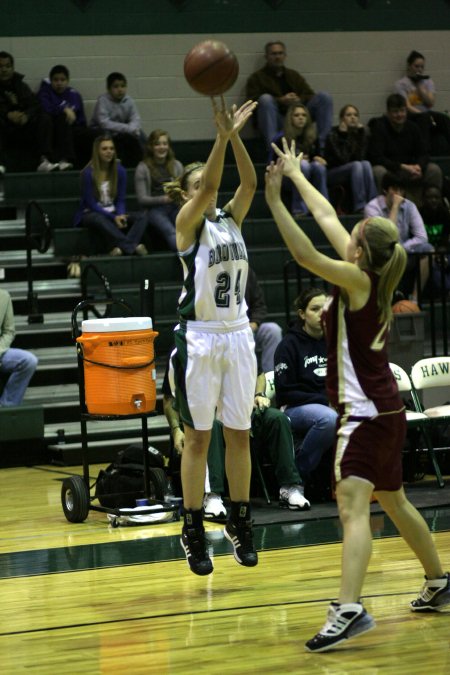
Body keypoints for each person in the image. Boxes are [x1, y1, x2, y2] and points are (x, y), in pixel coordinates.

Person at [265, 137, 450, 653]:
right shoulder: (369, 275)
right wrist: (299, 175)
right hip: (386, 407)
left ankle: (348, 608)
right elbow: (324, 217)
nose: (343, 234)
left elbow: (304, 250)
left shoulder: (354, 280)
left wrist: (277, 200)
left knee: (352, 506)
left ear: (359, 249)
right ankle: (439, 582)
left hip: (364, 413)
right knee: (392, 499)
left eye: (352, 233)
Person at [163, 97, 258, 576]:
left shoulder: (231, 221)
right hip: (199, 340)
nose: (206, 189)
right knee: (199, 439)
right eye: (196, 186)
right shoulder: (187, 226)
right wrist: (221, 135)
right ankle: (193, 525)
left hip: (238, 337)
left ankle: (239, 520)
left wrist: (235, 137)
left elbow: (248, 183)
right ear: (185, 194)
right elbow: (218, 182)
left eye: (205, 184)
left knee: (239, 435)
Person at [163, 360, 309, 516]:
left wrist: (258, 394)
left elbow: (258, 373)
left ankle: (289, 487)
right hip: (208, 416)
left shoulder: (237, 337)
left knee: (277, 419)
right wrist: (176, 429)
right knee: (210, 425)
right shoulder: (186, 346)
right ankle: (212, 496)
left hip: (241, 411)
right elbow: (168, 398)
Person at [274, 287, 338, 500]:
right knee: (328, 419)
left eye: (326, 308)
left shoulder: (333, 340)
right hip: (294, 408)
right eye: (315, 309)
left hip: (328, 403)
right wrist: (324, 400)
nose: (322, 313)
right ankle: (295, 478)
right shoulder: (288, 345)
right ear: (302, 314)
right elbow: (284, 392)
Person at [246, 41, 333, 152]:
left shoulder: (293, 76)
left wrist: (298, 100)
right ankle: (274, 151)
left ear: (285, 56)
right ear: (266, 56)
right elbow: (251, 102)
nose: (277, 57)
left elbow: (309, 94)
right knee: (265, 99)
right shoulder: (257, 78)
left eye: (280, 53)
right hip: (277, 120)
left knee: (324, 97)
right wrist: (280, 100)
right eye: (274, 54)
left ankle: (323, 148)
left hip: (296, 116)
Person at [73, 134, 148, 256]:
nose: (109, 152)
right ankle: (131, 247)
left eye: (111, 148)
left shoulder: (120, 171)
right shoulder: (88, 173)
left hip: (112, 211)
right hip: (90, 213)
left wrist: (120, 214)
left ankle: (121, 248)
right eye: (104, 149)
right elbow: (91, 204)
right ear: (97, 151)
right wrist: (113, 217)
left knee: (142, 216)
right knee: (99, 218)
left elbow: (121, 200)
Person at [364, 172, 434, 301]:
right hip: (382, 255)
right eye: (395, 189)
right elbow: (387, 239)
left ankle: (415, 298)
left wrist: (400, 248)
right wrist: (395, 207)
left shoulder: (409, 206)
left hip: (403, 253)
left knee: (428, 249)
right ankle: (387, 298)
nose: (399, 194)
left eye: (401, 190)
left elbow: (422, 237)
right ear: (385, 190)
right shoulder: (372, 208)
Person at [368, 93, 442, 199]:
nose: (399, 115)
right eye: (395, 111)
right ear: (388, 113)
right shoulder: (379, 128)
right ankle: (383, 208)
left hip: (411, 170)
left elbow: (424, 153)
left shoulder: (413, 128)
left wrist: (419, 166)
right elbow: (377, 157)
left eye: (402, 111)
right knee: (378, 171)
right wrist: (401, 166)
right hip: (391, 170)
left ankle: (431, 208)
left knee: (434, 170)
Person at [0, 51, 57, 172]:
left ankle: (44, 160)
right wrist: (7, 114)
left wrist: (26, 115)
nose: (4, 69)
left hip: (23, 126)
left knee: (44, 118)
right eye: (0, 67)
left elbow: (35, 105)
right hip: (4, 127)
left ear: (13, 68)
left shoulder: (21, 86)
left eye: (7, 66)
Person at [269, 103, 328, 218]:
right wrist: (291, 162)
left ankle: (323, 207)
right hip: (284, 177)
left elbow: (316, 156)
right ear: (290, 118)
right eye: (297, 115)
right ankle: (299, 209)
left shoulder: (311, 136)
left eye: (303, 115)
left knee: (319, 167)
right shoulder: (281, 138)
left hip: (307, 172)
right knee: (303, 165)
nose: (301, 118)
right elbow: (271, 164)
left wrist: (318, 159)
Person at [134, 129, 183, 252]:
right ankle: (187, 257)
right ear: (151, 147)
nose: (162, 147)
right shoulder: (142, 168)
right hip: (154, 210)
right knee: (171, 231)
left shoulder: (176, 165)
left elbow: (184, 189)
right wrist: (164, 199)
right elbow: (142, 199)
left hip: (175, 206)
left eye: (164, 144)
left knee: (187, 228)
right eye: (157, 144)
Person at [394, 50, 450, 155]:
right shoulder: (401, 84)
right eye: (416, 66)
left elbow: (431, 102)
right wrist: (423, 114)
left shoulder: (427, 81)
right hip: (411, 115)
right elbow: (406, 106)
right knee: (424, 118)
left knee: (444, 118)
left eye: (422, 67)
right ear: (409, 66)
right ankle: (424, 152)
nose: (419, 70)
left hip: (427, 113)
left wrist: (421, 88)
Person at [37, 64, 93, 170]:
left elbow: (75, 115)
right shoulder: (45, 92)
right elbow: (46, 108)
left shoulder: (74, 94)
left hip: (74, 127)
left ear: (67, 81)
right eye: (56, 80)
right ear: (51, 81)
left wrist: (65, 111)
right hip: (52, 127)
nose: (59, 83)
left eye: (62, 80)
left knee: (98, 135)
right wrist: (63, 109)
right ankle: (50, 160)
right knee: (58, 118)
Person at [324, 104, 377, 213]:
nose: (353, 117)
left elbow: (362, 157)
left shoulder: (360, 133)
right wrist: (343, 136)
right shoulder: (333, 134)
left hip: (353, 170)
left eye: (355, 115)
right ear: (342, 119)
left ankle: (373, 203)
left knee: (366, 163)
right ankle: (360, 206)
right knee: (357, 165)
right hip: (333, 173)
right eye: (348, 115)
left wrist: (361, 135)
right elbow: (342, 159)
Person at [90, 72, 144, 167]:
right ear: (109, 89)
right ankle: (113, 165)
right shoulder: (102, 101)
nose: (120, 90)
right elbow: (104, 123)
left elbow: (136, 119)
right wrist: (127, 128)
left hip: (121, 132)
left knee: (140, 134)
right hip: (103, 131)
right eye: (116, 87)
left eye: (123, 86)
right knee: (107, 135)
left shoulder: (129, 100)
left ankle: (142, 163)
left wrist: (133, 128)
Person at [0, 289, 38, 406]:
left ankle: (6, 408)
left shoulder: (4, 296)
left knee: (29, 361)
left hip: (0, 350)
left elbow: (9, 331)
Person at [246, 266, 282, 372]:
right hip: (225, 329)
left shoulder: (246, 270)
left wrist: (254, 323)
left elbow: (259, 305)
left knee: (273, 330)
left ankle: (270, 378)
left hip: (248, 326)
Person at [419, 185, 450, 296]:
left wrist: (442, 253)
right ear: (423, 199)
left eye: (436, 197)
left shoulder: (445, 213)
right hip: (425, 254)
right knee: (433, 265)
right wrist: (436, 254)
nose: (433, 200)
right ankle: (447, 290)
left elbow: (445, 238)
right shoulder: (418, 214)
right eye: (430, 197)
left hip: (442, 251)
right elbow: (417, 240)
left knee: (444, 260)